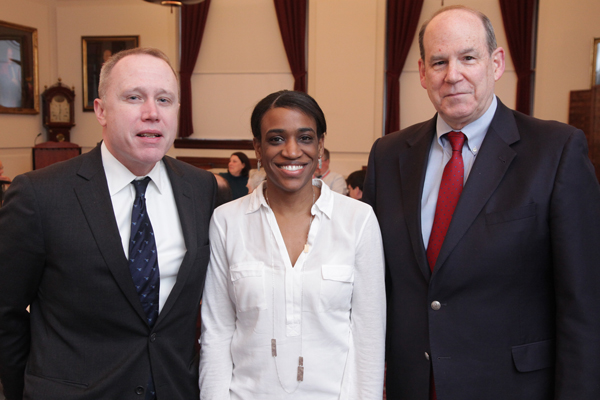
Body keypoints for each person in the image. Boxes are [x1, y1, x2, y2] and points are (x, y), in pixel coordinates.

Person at [363, 6, 600, 400]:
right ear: (422, 73)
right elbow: (373, 282)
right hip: (413, 386)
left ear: (496, 63)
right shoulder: (388, 156)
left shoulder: (556, 151)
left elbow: (584, 304)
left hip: (513, 388)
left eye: (468, 58)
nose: (452, 75)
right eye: (439, 61)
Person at [0, 47, 217, 400]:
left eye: (164, 99)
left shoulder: (201, 188)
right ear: (101, 110)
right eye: (134, 97)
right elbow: (5, 314)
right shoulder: (40, 195)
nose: (152, 113)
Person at [199, 90, 386, 399]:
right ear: (257, 147)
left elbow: (369, 334)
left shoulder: (358, 220)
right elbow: (217, 332)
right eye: (275, 139)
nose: (291, 151)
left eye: (305, 138)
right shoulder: (227, 221)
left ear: (320, 145)